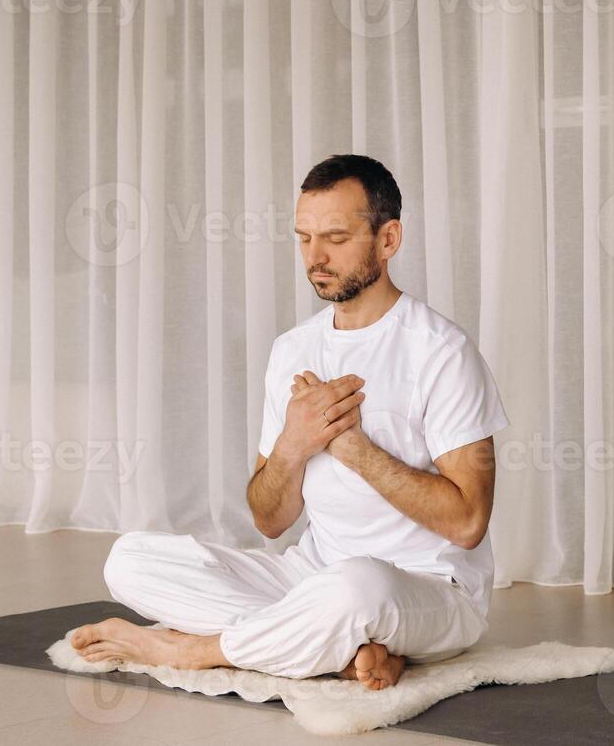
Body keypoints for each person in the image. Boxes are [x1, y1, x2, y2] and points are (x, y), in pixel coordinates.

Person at [71, 154, 509, 691]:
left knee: (357, 589)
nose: (315, 257)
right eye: (303, 238)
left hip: (429, 588)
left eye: (336, 238)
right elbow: (269, 521)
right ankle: (343, 648)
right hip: (315, 576)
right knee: (130, 560)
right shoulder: (292, 350)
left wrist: (355, 451)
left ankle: (197, 650)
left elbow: (467, 523)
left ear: (388, 239)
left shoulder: (442, 352)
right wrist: (292, 446)